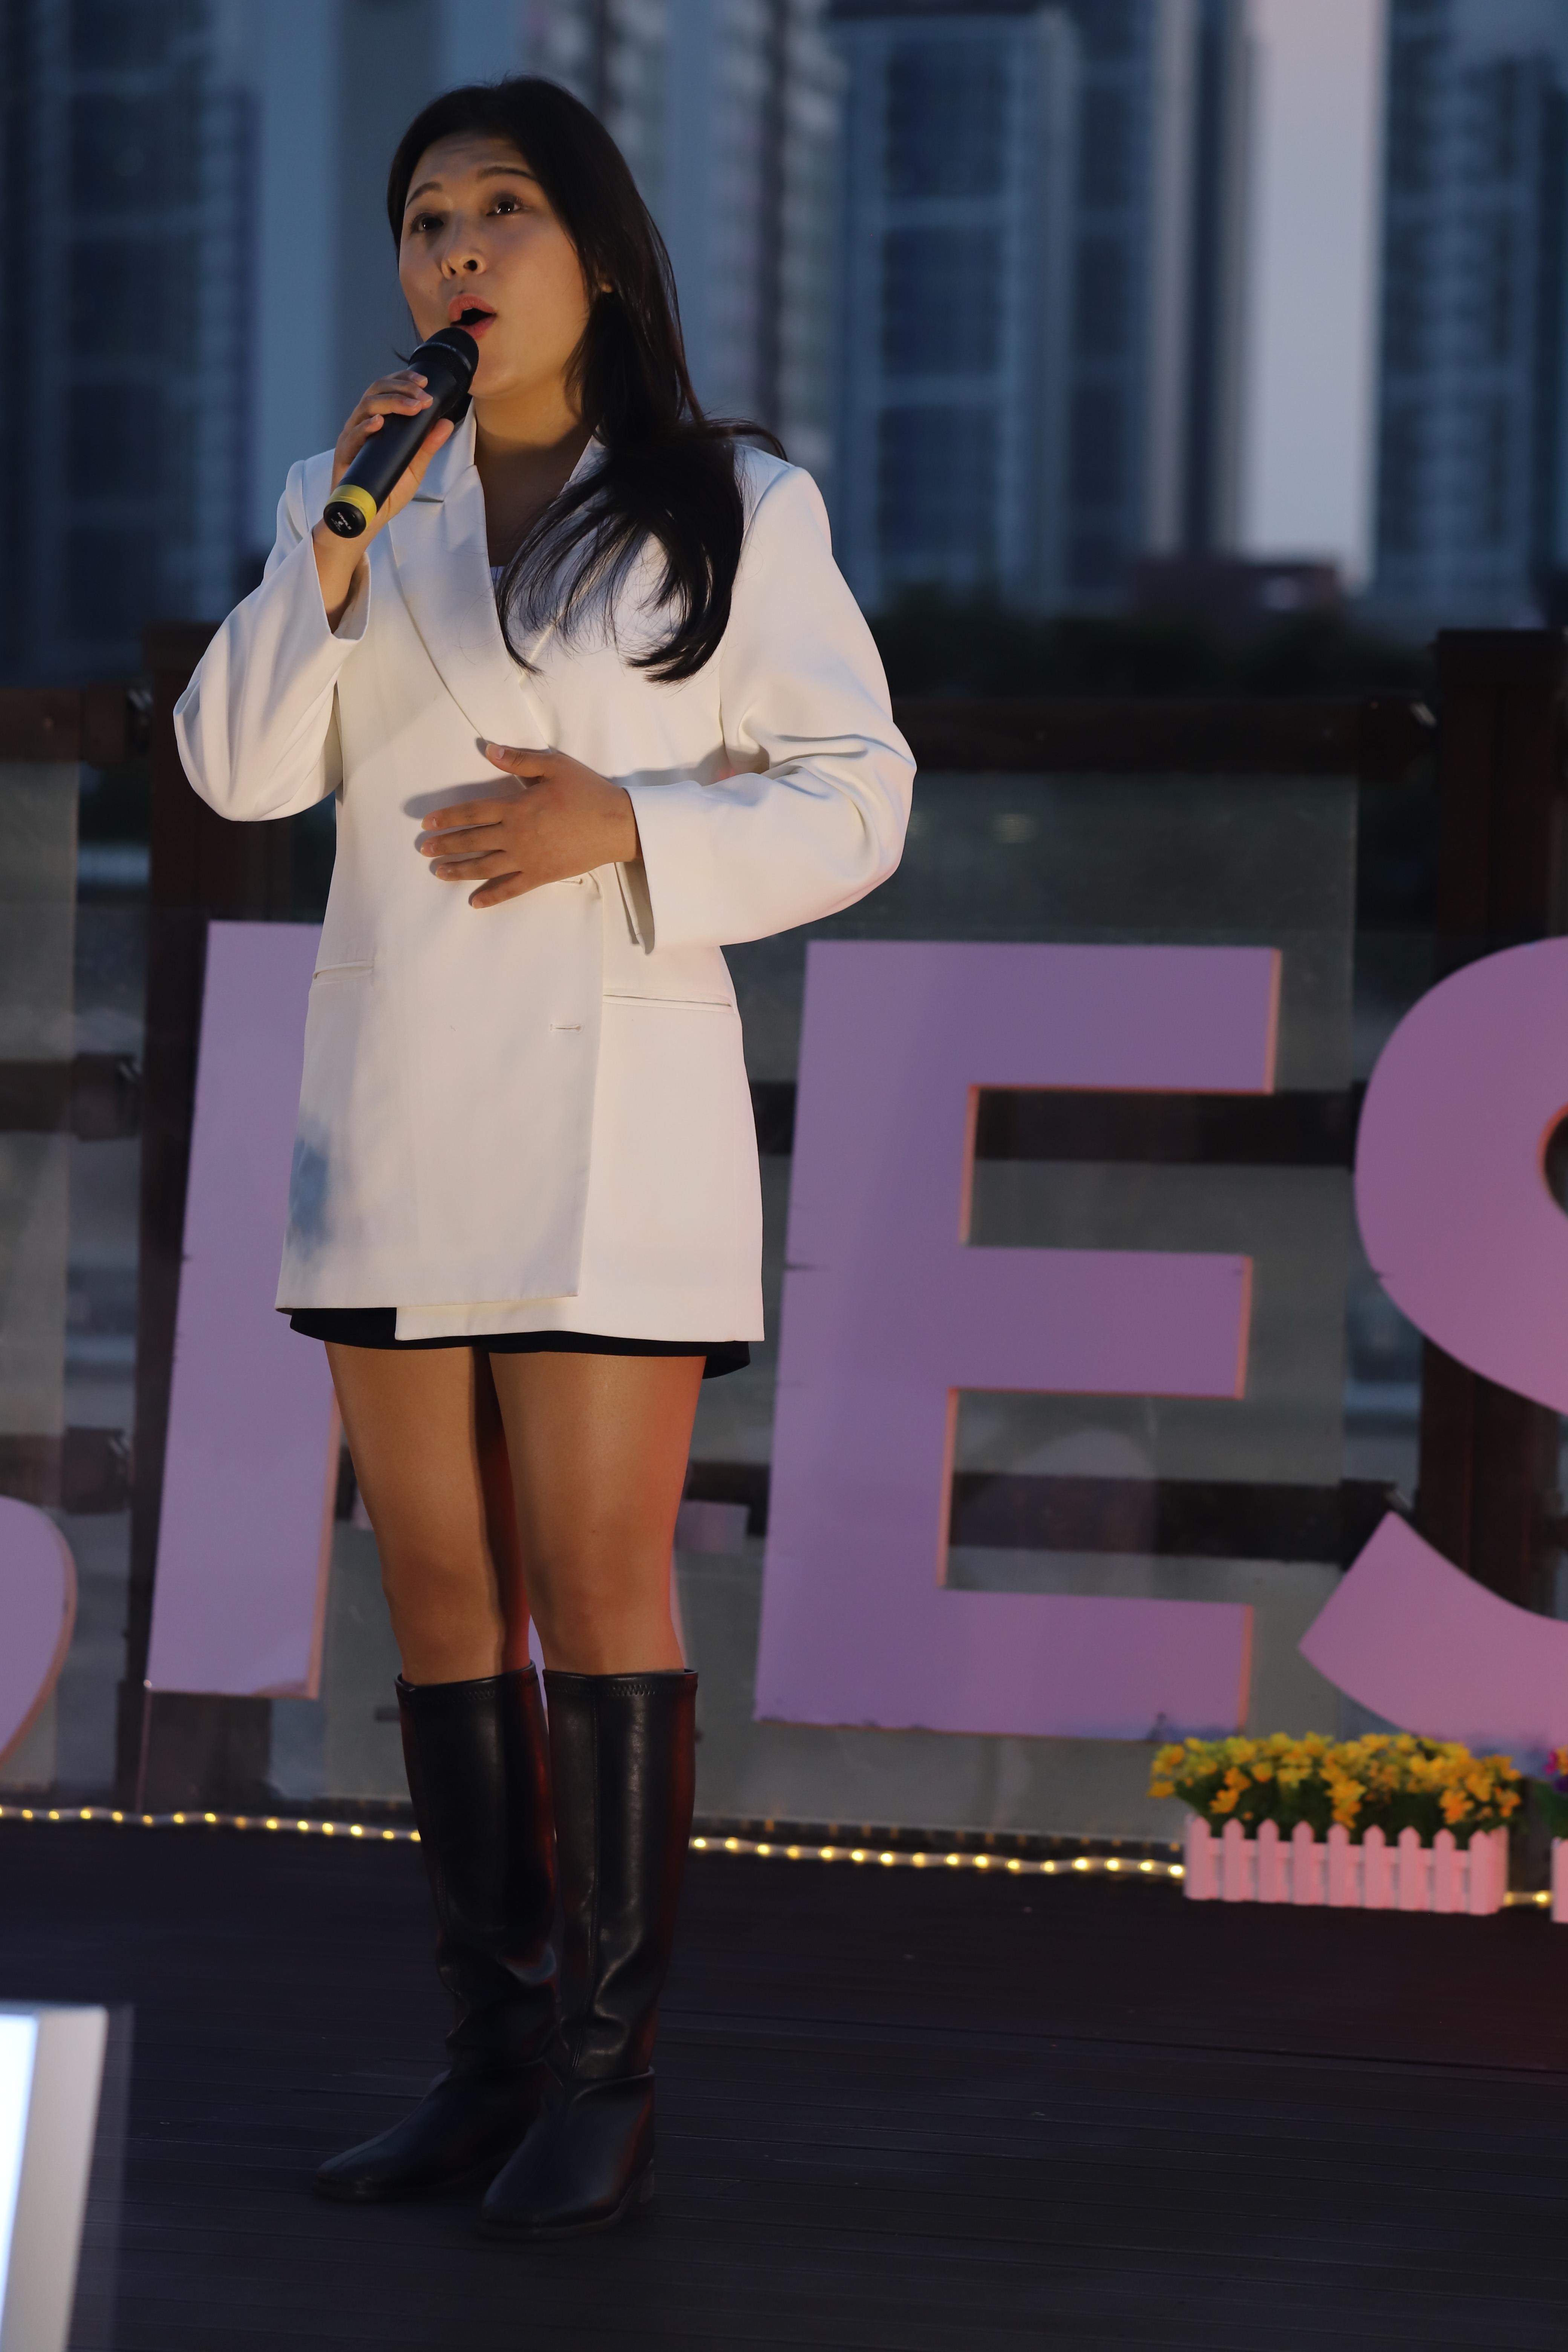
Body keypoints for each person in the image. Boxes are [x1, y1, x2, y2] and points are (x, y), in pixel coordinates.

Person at [175, 75, 913, 2241]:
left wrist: (630, 824)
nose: (460, 249)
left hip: (610, 1117)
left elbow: (861, 796)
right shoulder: (348, 491)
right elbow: (233, 770)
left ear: (596, 248)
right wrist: (328, 558)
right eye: (426, 219)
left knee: (596, 1585)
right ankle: (485, 2058)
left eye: (503, 208)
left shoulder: (730, 503)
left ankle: (606, 2079)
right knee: (434, 1598)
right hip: (396, 1110)